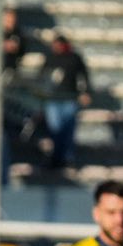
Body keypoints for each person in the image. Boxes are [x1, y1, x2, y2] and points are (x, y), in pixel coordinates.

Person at [40, 33, 91, 169]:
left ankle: (68, 159)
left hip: (70, 99)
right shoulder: (50, 58)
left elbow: (84, 75)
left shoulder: (74, 58)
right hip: (53, 100)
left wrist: (86, 92)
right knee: (55, 130)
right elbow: (42, 78)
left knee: (68, 130)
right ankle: (56, 158)